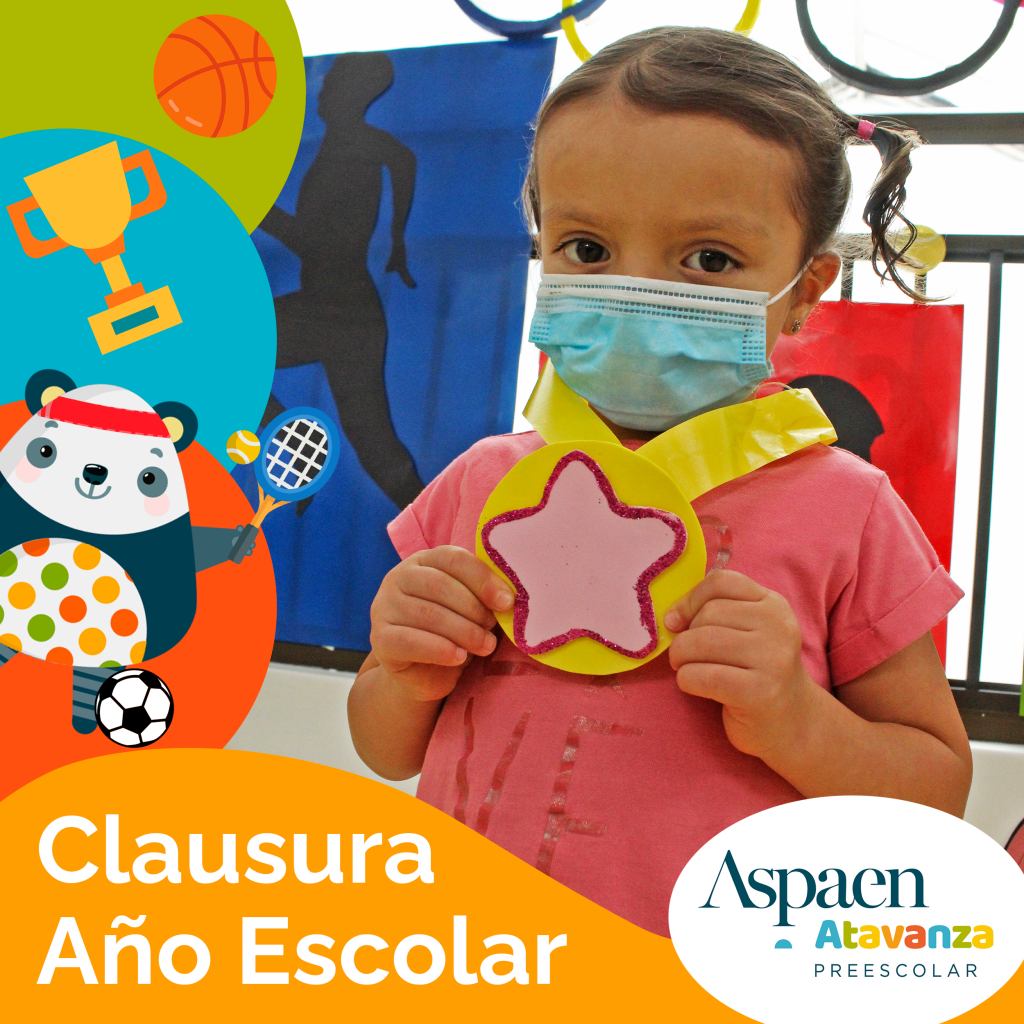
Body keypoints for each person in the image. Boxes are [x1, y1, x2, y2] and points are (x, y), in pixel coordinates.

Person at [347, 28, 971, 937]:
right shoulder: (482, 482)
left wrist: (798, 719)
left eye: (709, 260)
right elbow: (384, 748)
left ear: (806, 290)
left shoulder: (850, 508)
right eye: (587, 248)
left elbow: (936, 795)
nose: (634, 289)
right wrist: (403, 672)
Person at [259, 51, 425, 511]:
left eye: (332, 81)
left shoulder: (354, 149)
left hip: (342, 314)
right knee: (379, 452)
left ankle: (445, 534)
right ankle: (296, 448)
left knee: (379, 453)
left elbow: (316, 244)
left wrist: (257, 209)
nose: (323, 90)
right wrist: (397, 240)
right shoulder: (348, 145)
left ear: (354, 91)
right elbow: (403, 160)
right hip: (334, 309)